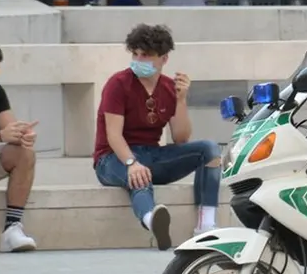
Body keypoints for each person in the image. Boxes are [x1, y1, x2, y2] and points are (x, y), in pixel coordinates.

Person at [93, 24, 222, 250]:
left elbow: (181, 138)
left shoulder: (169, 88)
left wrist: (181, 101)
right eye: (135, 54)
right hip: (112, 158)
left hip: (153, 154)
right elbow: (113, 134)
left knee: (210, 150)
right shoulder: (118, 83)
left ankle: (206, 224)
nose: (139, 60)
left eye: (146, 55)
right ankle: (152, 220)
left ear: (164, 59)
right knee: (139, 177)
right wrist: (131, 163)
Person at [0, 37, 38, 252]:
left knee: (23, 153)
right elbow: (1, 134)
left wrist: (23, 135)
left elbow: (10, 130)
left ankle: (12, 228)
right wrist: (0, 136)